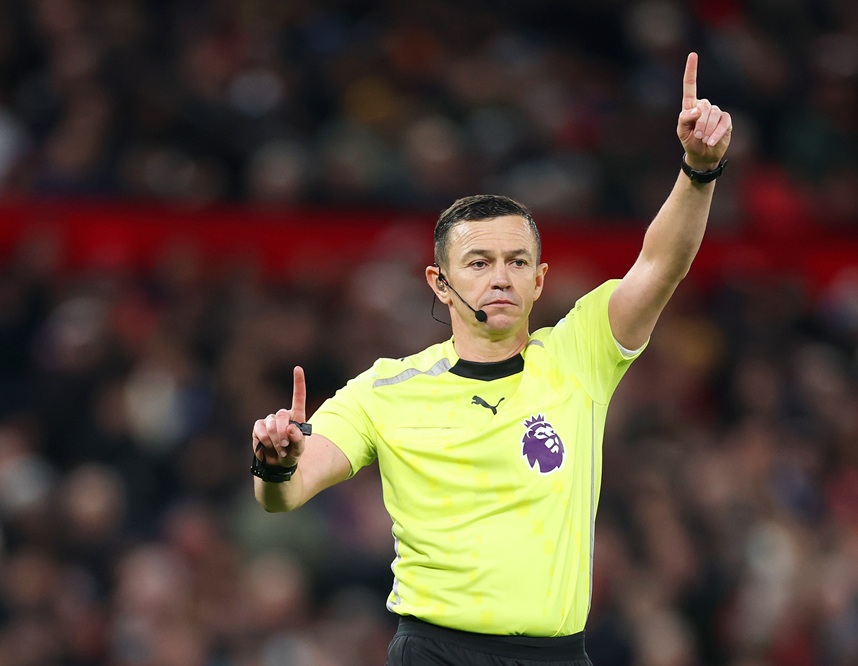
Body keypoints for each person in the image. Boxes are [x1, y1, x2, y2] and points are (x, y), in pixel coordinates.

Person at [251, 52, 732, 666]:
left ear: (539, 280)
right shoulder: (386, 389)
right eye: (478, 264)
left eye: (517, 262)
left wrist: (698, 169)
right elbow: (284, 495)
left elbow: (660, 264)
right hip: (437, 652)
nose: (499, 278)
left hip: (557, 654)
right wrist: (275, 460)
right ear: (438, 282)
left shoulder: (580, 354)